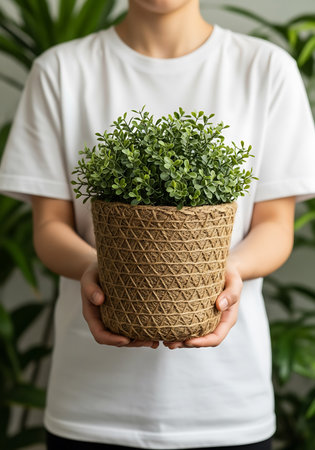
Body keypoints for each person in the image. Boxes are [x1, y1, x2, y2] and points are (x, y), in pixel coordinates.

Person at [1, 0, 315, 449]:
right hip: (91, 408)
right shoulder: (61, 71)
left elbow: (275, 227)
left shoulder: (265, 69)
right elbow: (49, 227)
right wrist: (101, 269)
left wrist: (227, 273)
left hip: (226, 406)